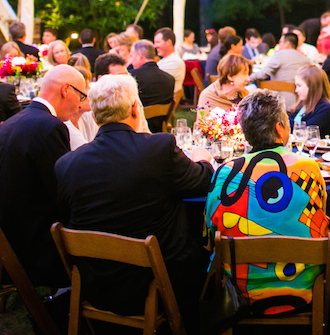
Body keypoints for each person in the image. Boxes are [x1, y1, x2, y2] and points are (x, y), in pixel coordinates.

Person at [56, 73, 213, 330]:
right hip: (158, 279)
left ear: (94, 116)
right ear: (133, 108)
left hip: (95, 281)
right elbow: (203, 181)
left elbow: (65, 214)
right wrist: (203, 158)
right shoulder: (158, 149)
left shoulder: (66, 165)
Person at [206, 89, 330, 316]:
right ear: (279, 128)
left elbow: (209, 234)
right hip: (303, 287)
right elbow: (319, 221)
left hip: (240, 290)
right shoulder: (308, 170)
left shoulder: (226, 173)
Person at [0, 64, 87, 287]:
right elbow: (62, 191)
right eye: (81, 96)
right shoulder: (50, 127)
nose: (81, 104)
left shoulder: (14, 120)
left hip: (8, 232)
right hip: (36, 243)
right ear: (66, 90)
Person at [249, 32, 312, 109]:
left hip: (281, 101)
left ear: (287, 44)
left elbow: (263, 74)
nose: (278, 45)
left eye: (281, 42)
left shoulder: (279, 55)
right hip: (301, 102)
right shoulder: (305, 59)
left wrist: (248, 78)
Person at [129, 40, 175, 128]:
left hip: (137, 128)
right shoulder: (170, 78)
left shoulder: (132, 77)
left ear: (139, 57)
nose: (131, 61)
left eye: (132, 56)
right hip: (159, 128)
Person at [291, 65, 330, 137]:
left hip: (314, 147)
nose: (296, 90)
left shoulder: (326, 109)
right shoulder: (301, 105)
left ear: (312, 87)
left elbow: (305, 132)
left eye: (299, 86)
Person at [153, 27, 184, 95]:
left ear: (168, 42)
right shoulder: (168, 60)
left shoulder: (174, 62)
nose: (155, 46)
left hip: (162, 102)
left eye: (157, 42)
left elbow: (153, 81)